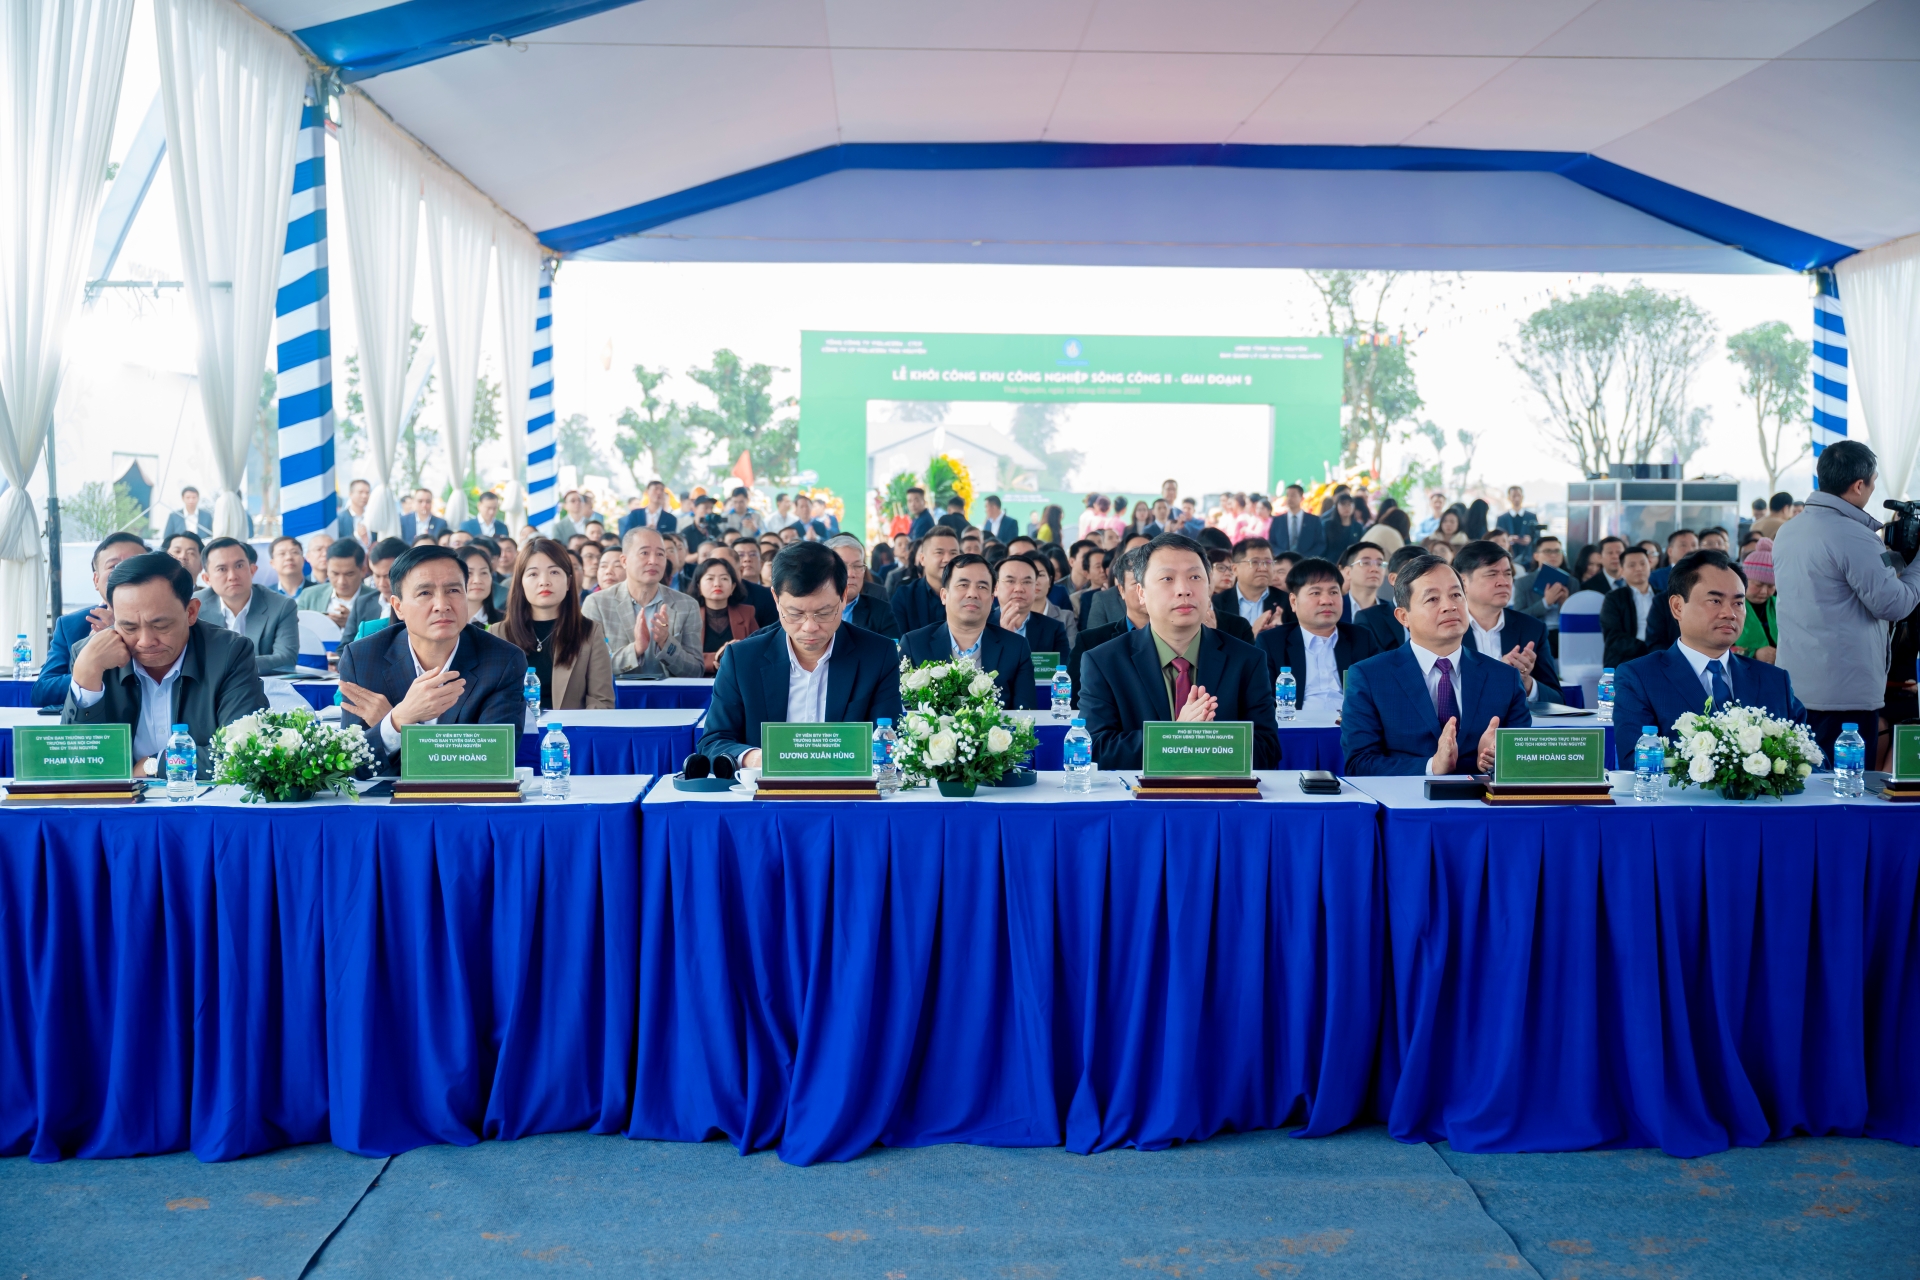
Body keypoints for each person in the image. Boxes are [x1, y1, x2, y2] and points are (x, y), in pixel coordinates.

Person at [1773, 440, 1920, 765]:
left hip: (1797, 686)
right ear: (1858, 485)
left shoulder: (1790, 530)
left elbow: (1841, 581)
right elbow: (1894, 605)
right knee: (1844, 786)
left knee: (1803, 780)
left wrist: (1900, 558)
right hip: (1844, 695)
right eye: (1873, 481)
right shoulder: (1852, 534)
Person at [1078, 534, 1280, 771]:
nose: (1184, 590)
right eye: (1167, 578)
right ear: (1142, 593)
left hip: (1218, 791)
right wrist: (1176, 735)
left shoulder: (1247, 660)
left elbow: (1267, 750)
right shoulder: (1104, 662)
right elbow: (1096, 749)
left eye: (1195, 577)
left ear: (1209, 587)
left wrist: (1196, 739)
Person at [62, 552, 268, 778]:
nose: (145, 641)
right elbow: (74, 763)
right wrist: (86, 674)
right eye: (129, 627)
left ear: (191, 612)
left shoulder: (229, 653)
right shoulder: (90, 657)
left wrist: (155, 765)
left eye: (161, 626)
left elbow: (244, 753)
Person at [699, 542, 903, 766]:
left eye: (824, 613)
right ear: (776, 599)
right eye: (795, 613)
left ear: (844, 596)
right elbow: (714, 741)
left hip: (846, 784)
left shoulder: (877, 656)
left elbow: (890, 738)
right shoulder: (742, 660)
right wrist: (756, 758)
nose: (810, 627)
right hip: (763, 785)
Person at [337, 546, 528, 773]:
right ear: (398, 607)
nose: (442, 605)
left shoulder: (502, 661)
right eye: (425, 593)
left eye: (453, 590)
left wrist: (399, 726)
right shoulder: (363, 658)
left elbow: (491, 762)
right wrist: (398, 719)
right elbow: (353, 765)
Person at [1340, 554, 1532, 776]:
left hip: (1482, 796)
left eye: (1456, 595)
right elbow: (1359, 763)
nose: (1449, 606)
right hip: (1407, 796)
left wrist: (1497, 760)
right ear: (1403, 616)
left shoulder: (1504, 678)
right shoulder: (1369, 676)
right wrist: (1432, 767)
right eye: (1432, 599)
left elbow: (1525, 762)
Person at [1614, 550, 1805, 740]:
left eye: (1738, 603)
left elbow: (1808, 752)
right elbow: (1635, 755)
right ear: (1677, 607)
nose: (1729, 613)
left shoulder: (1775, 680)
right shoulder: (1640, 679)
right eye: (1715, 601)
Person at [489, 537, 613, 711]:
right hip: (516, 728)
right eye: (533, 574)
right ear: (520, 583)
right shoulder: (498, 634)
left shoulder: (589, 632)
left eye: (554, 572)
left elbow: (602, 702)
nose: (544, 581)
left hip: (570, 728)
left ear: (568, 582)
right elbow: (490, 701)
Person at [901, 555, 1036, 709]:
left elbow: (1026, 713)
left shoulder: (1016, 647)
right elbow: (905, 710)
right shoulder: (914, 645)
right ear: (944, 595)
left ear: (992, 599)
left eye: (982, 587)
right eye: (963, 585)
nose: (972, 593)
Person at [582, 526, 702, 678]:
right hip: (617, 693)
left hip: (669, 693)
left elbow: (696, 671)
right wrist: (636, 649)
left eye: (660, 554)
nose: (653, 561)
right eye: (644, 553)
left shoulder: (687, 605)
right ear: (624, 561)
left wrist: (666, 644)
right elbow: (588, 665)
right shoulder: (597, 604)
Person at [1257, 557, 1378, 708]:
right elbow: (1263, 701)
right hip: (1294, 720)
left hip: (1349, 720)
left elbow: (1376, 693)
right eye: (1315, 593)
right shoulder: (1272, 643)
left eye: (1334, 592)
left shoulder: (1361, 638)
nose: (1327, 600)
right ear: (1294, 601)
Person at [1454, 539, 1561, 702]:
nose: (1503, 582)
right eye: (1492, 574)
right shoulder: (1446, 628)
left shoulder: (1532, 629)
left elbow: (1557, 699)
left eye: (1508, 574)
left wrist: (1527, 684)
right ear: (1463, 583)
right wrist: (1499, 674)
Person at [183, 536, 298, 677]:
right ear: (207, 579)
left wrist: (228, 665)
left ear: (252, 570)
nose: (232, 576)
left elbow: (287, 659)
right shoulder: (194, 605)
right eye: (222, 569)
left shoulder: (281, 606)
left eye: (239, 566)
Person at [1066, 546, 1147, 705]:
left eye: (1150, 582)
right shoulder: (1091, 642)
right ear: (1121, 590)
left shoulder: (1182, 638)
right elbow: (1076, 699)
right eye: (1136, 583)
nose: (1144, 590)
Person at [992, 552, 1069, 659]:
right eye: (1010, 581)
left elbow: (1063, 667)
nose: (1019, 588)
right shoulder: (980, 625)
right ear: (995, 588)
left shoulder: (1054, 629)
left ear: (1035, 588)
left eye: (1027, 582)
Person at [691, 556, 758, 673]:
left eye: (724, 578)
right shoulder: (689, 615)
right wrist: (716, 658)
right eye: (710, 578)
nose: (717, 584)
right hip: (698, 679)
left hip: (737, 678)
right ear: (699, 586)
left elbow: (758, 649)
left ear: (733, 587)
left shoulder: (747, 613)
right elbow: (683, 656)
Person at [295, 537, 376, 631]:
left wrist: (353, 624)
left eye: (349, 574)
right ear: (327, 570)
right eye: (335, 574)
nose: (341, 581)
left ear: (363, 571)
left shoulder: (377, 599)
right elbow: (296, 630)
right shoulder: (309, 596)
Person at [1212, 536, 1287, 636]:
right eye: (1254, 562)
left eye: (1268, 562)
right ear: (1235, 569)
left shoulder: (1287, 603)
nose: (1263, 568)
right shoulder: (1216, 604)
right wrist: (1252, 635)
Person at [1599, 544, 1658, 669]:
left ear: (1650, 565)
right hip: (1626, 659)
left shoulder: (1663, 597)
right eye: (1632, 565)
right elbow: (1613, 638)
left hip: (1662, 658)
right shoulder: (1614, 598)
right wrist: (1649, 648)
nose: (1639, 568)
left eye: (1643, 564)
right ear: (1621, 570)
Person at [828, 534, 898, 638]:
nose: (851, 573)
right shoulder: (810, 608)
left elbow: (893, 646)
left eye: (857, 566)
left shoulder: (881, 612)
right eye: (843, 566)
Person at [891, 524, 957, 633]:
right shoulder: (905, 597)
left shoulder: (969, 594)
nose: (947, 559)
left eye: (953, 553)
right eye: (939, 552)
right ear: (922, 559)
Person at [349, 537, 408, 638]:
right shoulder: (361, 604)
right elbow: (346, 644)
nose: (381, 583)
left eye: (387, 576)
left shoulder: (415, 606)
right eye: (376, 576)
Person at [1734, 538, 1778, 663]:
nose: (1764, 591)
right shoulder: (1731, 608)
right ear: (1743, 581)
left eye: (1771, 586)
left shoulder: (1780, 606)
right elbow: (1714, 648)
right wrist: (1754, 654)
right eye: (1758, 585)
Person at [1266, 484, 1325, 558]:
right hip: (1283, 560)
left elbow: (1320, 544)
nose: (1289, 498)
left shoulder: (1314, 520)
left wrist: (1306, 558)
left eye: (1293, 495)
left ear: (1301, 498)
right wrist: (1283, 556)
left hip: (1306, 560)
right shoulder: (1277, 521)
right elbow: (1271, 543)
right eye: (1288, 495)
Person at [730, 537, 780, 625]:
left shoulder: (768, 594)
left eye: (753, 554)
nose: (747, 559)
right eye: (741, 555)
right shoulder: (728, 593)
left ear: (761, 563)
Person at [1338, 541, 1387, 622]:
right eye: (1366, 563)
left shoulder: (1394, 612)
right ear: (1348, 572)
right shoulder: (1335, 607)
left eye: (1379, 564)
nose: (1374, 569)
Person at [460, 543, 504, 628]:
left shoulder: (505, 623)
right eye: (469, 573)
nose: (477, 580)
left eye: (484, 573)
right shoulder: (441, 621)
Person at [1496, 487, 1540, 568]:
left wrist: (1530, 539)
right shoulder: (1502, 518)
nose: (1516, 498)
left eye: (1518, 495)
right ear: (1509, 498)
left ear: (1522, 497)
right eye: (1514, 496)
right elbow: (1497, 539)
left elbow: (1538, 537)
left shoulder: (1532, 517)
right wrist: (1508, 540)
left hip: (1529, 558)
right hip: (1507, 558)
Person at [1649, 528, 1697, 594]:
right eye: (1683, 545)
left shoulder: (1705, 575)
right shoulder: (1655, 577)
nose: (1690, 550)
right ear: (1670, 551)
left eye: (1694, 545)